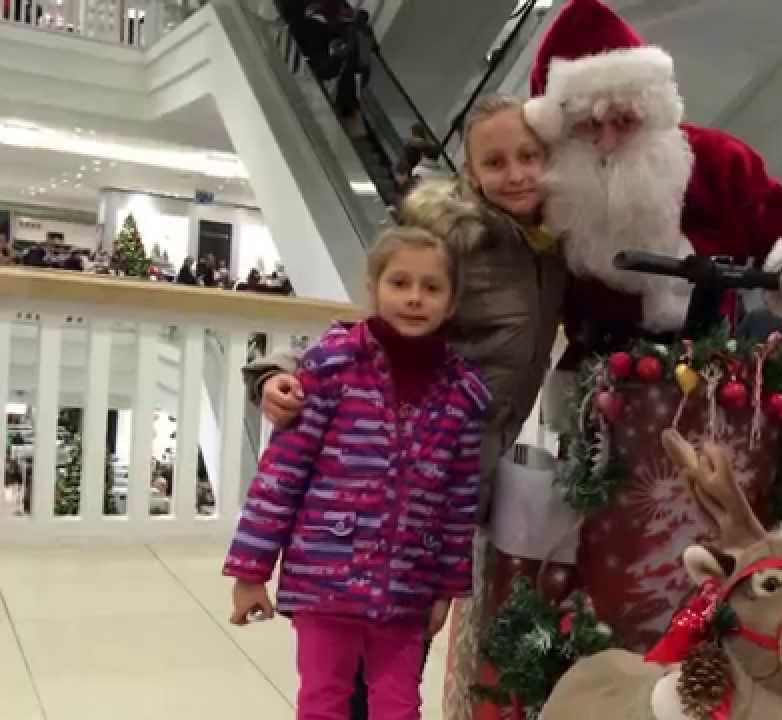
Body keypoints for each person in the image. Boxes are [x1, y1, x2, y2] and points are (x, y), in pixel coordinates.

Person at [521, 0, 782, 656]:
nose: (609, 138)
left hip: (718, 391)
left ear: (655, 106)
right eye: (589, 125)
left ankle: (719, 645)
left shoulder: (717, 162)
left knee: (714, 531)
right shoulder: (547, 190)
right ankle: (595, 655)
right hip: (599, 399)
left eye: (625, 118)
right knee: (602, 539)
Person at [240, 94, 566, 720]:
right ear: (471, 172)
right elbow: (374, 325)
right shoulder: (456, 237)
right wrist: (279, 371)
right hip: (404, 454)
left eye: (530, 156)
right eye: (495, 161)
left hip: (468, 463)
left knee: (403, 648)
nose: (517, 172)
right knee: (362, 663)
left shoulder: (555, 244)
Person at [223, 225, 489, 720]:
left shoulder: (462, 393)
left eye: (431, 288)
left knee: (399, 708)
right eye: (400, 283)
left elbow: (459, 503)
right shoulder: (332, 366)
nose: (414, 298)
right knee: (322, 704)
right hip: (325, 580)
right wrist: (249, 571)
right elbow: (282, 474)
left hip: (408, 587)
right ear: (373, 290)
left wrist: (447, 589)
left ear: (452, 303)